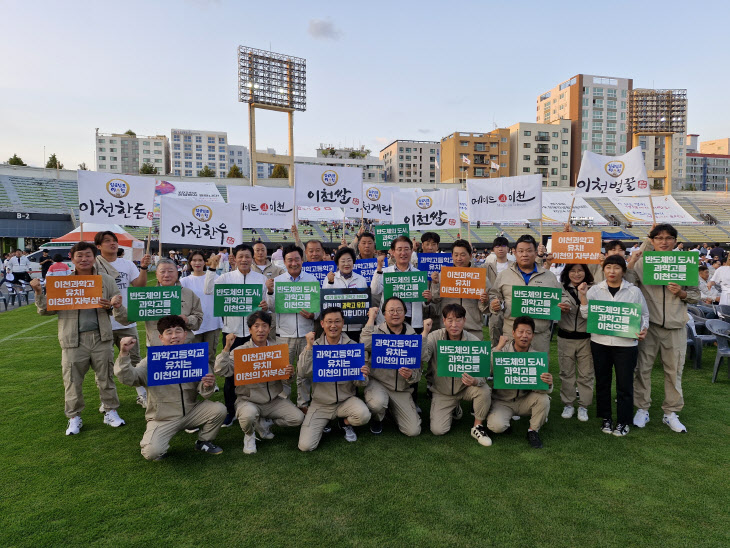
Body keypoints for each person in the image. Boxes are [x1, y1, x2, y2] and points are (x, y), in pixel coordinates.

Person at [30, 241, 129, 435]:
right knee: (72, 380)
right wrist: (39, 293)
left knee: (106, 378)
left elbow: (121, 315)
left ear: (94, 257)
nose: (84, 259)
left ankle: (110, 411)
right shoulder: (63, 281)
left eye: (88, 255)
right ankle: (74, 417)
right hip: (72, 339)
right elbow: (46, 311)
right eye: (80, 256)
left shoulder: (106, 281)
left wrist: (113, 305)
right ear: (71, 257)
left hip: (101, 337)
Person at [115, 315, 226, 460]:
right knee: (152, 453)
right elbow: (129, 378)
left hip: (191, 410)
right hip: (163, 418)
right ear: (161, 337)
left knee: (219, 410)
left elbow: (205, 393)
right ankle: (156, 442)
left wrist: (207, 385)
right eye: (169, 332)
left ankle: (204, 441)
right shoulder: (152, 360)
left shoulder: (195, 356)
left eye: (178, 331)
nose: (174, 336)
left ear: (185, 334)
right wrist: (124, 354)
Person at [631, 224, 699, 433]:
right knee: (642, 369)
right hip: (648, 326)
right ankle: (642, 408)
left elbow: (696, 295)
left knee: (674, 371)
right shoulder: (641, 264)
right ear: (652, 240)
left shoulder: (686, 263)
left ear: (675, 241)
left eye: (669, 238)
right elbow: (627, 283)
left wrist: (682, 293)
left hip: (676, 326)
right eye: (658, 238)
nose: (664, 241)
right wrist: (638, 252)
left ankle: (671, 413)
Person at [214, 311, 304, 454]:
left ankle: (265, 423)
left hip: (273, 400)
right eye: (256, 326)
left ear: (269, 328)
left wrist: (289, 374)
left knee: (297, 418)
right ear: (250, 329)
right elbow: (221, 371)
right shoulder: (241, 351)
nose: (260, 330)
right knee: (248, 415)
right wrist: (226, 349)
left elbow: (287, 379)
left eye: (264, 326)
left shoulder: (278, 349)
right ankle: (249, 435)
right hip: (248, 400)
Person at [579, 255, 649, 436]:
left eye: (616, 268)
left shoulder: (634, 291)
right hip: (600, 343)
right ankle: (606, 418)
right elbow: (587, 316)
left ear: (623, 271)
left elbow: (644, 316)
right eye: (608, 267)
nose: (612, 271)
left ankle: (623, 421)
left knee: (624, 384)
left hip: (625, 344)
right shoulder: (595, 290)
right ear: (603, 270)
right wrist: (582, 297)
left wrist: (643, 329)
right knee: (602, 382)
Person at [207, 244, 269, 427]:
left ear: (252, 258)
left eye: (247, 256)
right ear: (234, 258)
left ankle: (258, 409)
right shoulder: (225, 278)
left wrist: (266, 306)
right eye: (240, 256)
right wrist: (212, 268)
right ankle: (230, 411)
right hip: (232, 333)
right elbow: (209, 289)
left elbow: (267, 306)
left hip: (255, 335)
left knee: (256, 373)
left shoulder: (260, 278)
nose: (244, 260)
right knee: (231, 375)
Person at [297, 307, 371, 451]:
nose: (333, 325)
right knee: (305, 446)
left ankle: (344, 423)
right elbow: (303, 372)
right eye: (329, 322)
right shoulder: (315, 346)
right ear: (322, 324)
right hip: (321, 403)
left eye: (337, 321)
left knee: (363, 415)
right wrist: (308, 348)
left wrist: (363, 375)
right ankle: (324, 423)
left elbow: (360, 383)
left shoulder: (354, 347)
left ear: (343, 323)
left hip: (346, 400)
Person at [94, 230, 152, 408]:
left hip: (126, 319)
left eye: (114, 241)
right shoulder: (93, 266)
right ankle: (106, 400)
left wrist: (143, 267)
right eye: (107, 241)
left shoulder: (127, 264)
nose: (113, 243)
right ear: (98, 246)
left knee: (135, 359)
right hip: (101, 321)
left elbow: (139, 286)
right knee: (103, 364)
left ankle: (142, 394)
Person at [422, 304, 493, 446]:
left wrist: (475, 381)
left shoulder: (473, 340)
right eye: (450, 320)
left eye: (458, 320)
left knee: (484, 389)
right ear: (443, 320)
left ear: (464, 321)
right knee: (438, 430)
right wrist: (424, 332)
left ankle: (477, 426)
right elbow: (423, 356)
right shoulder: (434, 337)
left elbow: (484, 373)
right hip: (442, 391)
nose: (454, 325)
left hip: (465, 388)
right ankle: (455, 408)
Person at [360, 300, 431, 436]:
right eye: (391, 310)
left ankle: (391, 411)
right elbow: (364, 343)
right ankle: (377, 418)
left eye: (399, 310)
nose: (395, 313)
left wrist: (410, 375)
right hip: (379, 384)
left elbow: (419, 367)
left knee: (413, 431)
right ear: (384, 314)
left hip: (401, 389)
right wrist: (371, 318)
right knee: (377, 404)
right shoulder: (376, 331)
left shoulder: (413, 337)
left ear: (405, 313)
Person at [486, 316, 554, 449]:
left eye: (528, 333)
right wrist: (498, 348)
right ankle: (505, 423)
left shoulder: (537, 357)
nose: (524, 336)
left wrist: (549, 383)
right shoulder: (502, 351)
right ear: (513, 333)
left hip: (525, 400)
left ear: (533, 336)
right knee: (496, 426)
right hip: (503, 401)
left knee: (544, 399)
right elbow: (487, 370)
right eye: (521, 332)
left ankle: (532, 431)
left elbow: (542, 388)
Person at [265, 245, 319, 411]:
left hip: (306, 334)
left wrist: (313, 315)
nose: (294, 263)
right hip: (284, 334)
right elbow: (271, 308)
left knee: (305, 372)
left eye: (297, 259)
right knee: (284, 372)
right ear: (285, 262)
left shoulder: (312, 280)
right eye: (290, 260)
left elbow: (318, 308)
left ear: (301, 260)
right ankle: (284, 405)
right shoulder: (278, 282)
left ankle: (303, 403)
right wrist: (270, 291)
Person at [488, 234, 561, 353]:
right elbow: (494, 295)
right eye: (521, 251)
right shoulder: (504, 275)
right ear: (515, 253)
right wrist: (494, 304)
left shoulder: (549, 276)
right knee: (510, 368)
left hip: (539, 335)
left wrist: (563, 305)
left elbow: (562, 297)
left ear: (536, 252)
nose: (524, 254)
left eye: (529, 251)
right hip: (512, 333)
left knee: (538, 370)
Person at [371, 235, 434, 334]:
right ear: (392, 252)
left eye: (406, 249)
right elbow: (374, 290)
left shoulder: (418, 274)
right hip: (388, 320)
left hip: (412, 320)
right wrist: (379, 269)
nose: (403, 253)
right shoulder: (385, 272)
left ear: (411, 251)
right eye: (399, 249)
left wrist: (428, 299)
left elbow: (423, 302)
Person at [556, 264, 595, 422]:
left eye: (580, 270)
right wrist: (558, 308)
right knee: (566, 373)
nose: (577, 274)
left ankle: (584, 406)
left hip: (586, 338)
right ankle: (568, 403)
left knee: (586, 374)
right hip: (565, 337)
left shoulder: (595, 289)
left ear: (586, 272)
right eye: (572, 270)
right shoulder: (560, 289)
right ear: (567, 272)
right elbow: (549, 306)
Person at [431, 239, 490, 340]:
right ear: (452, 256)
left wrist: (485, 300)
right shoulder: (443, 276)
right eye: (456, 255)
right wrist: (436, 284)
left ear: (470, 256)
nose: (459, 258)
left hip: (473, 328)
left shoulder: (480, 277)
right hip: (448, 329)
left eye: (463, 255)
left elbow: (486, 309)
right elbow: (435, 300)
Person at [180, 250, 223, 376]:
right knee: (195, 355)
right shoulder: (184, 281)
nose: (197, 263)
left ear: (205, 262)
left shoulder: (214, 277)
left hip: (212, 322)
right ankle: (197, 381)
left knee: (210, 355)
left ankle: (209, 382)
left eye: (200, 260)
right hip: (193, 324)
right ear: (190, 263)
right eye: (194, 260)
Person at [144, 258, 203, 347]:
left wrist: (187, 320)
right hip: (156, 347)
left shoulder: (188, 294)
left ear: (177, 273)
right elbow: (127, 318)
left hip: (184, 346)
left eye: (171, 271)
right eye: (162, 271)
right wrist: (119, 307)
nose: (166, 275)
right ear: (156, 275)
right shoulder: (147, 295)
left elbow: (198, 318)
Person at [323, 247, 368, 341]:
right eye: (343, 261)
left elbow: (365, 301)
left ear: (353, 262)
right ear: (338, 263)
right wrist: (330, 282)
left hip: (356, 327)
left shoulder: (361, 279)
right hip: (337, 328)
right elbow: (325, 300)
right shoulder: (330, 278)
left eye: (349, 260)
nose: (346, 264)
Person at [484, 237, 514, 347]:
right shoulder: (487, 266)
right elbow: (473, 270)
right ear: (493, 249)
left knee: (512, 337)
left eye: (503, 246)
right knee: (495, 337)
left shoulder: (514, 266)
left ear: (508, 249)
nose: (500, 249)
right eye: (497, 246)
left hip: (511, 304)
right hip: (495, 306)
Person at [419, 232, 444, 331]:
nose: (430, 247)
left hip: (438, 313)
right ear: (422, 245)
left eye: (434, 244)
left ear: (437, 246)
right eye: (427, 244)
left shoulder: (445, 265)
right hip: (419, 312)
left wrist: (436, 283)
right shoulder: (415, 263)